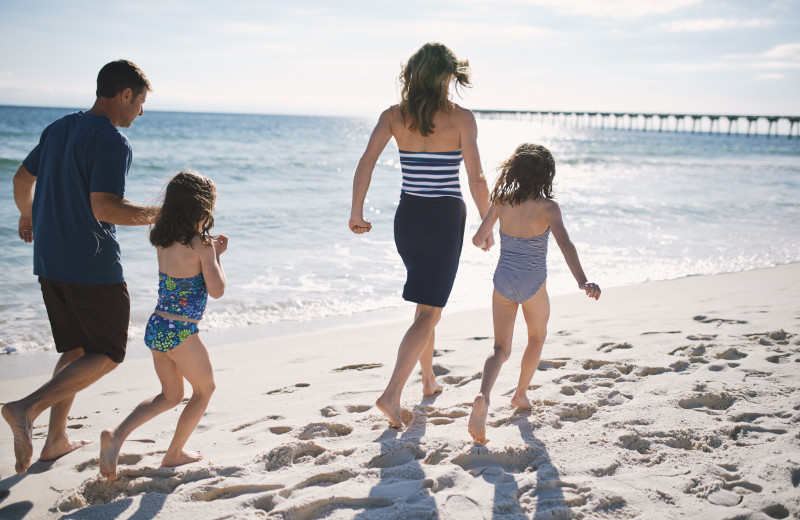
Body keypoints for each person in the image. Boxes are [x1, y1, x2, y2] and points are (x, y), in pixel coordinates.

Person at [3, 60, 157, 474]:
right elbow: (106, 207)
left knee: (74, 350)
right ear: (125, 95)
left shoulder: (58, 128)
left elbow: (20, 180)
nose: (140, 112)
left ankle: (55, 441)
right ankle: (25, 408)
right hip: (90, 264)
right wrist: (164, 214)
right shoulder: (111, 141)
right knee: (107, 352)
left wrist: (27, 216)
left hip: (49, 261)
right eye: (140, 102)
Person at [349, 42, 492, 428]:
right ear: (447, 76)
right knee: (429, 310)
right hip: (445, 219)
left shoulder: (394, 116)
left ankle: (428, 381)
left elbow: (367, 161)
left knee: (425, 306)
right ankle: (392, 394)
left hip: (407, 218)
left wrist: (356, 211)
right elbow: (476, 178)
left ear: (412, 75)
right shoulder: (461, 118)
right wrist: (487, 222)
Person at [467, 143, 601, 444]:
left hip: (502, 280)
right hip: (533, 283)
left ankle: (483, 395)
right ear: (545, 175)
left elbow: (478, 238)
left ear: (514, 171)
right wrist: (583, 281)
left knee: (500, 348)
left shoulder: (501, 200)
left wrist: (487, 241)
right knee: (536, 338)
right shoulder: (548, 208)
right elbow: (566, 245)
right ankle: (520, 394)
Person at [99, 170, 226, 479]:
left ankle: (117, 435)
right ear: (203, 206)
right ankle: (173, 454)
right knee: (204, 389)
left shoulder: (163, 237)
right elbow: (217, 290)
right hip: (181, 331)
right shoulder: (202, 244)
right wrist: (217, 256)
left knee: (169, 396)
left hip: (157, 327)